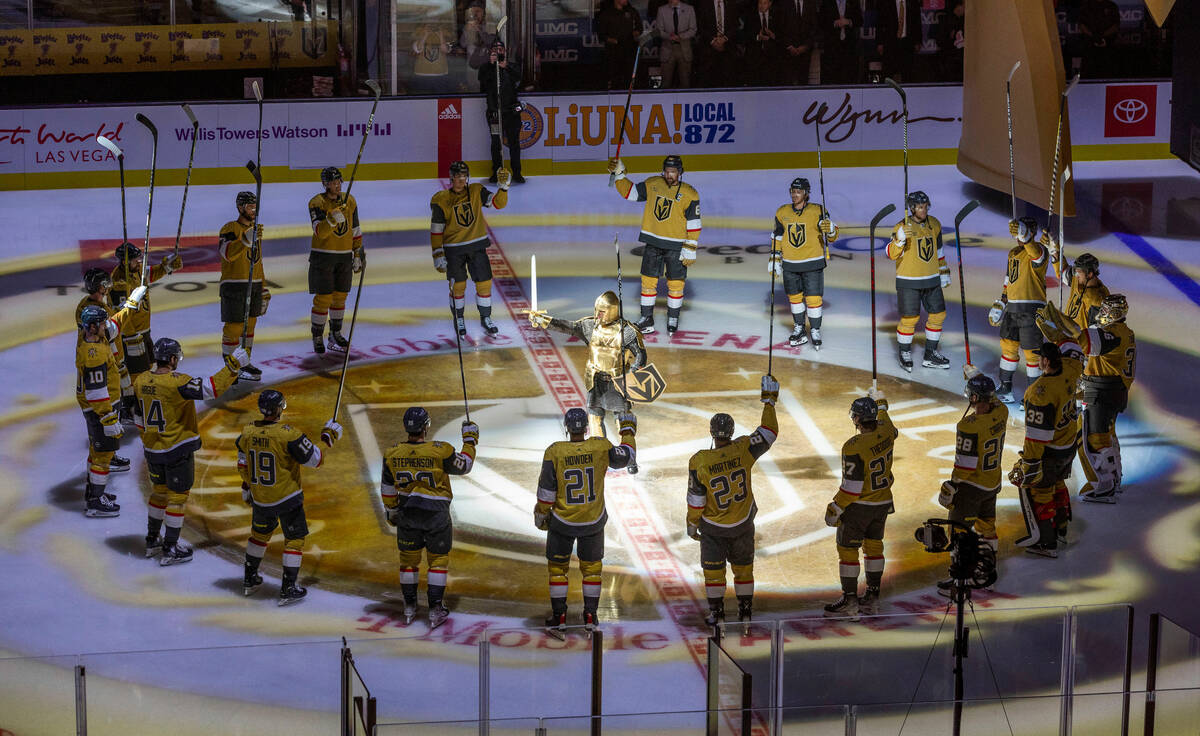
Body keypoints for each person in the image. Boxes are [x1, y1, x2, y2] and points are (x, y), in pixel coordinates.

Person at [134, 338, 248, 563]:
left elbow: (137, 415)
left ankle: (152, 540)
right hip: (176, 449)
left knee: (159, 494)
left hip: (152, 449)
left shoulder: (140, 381)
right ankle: (170, 548)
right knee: (177, 498)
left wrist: (149, 439)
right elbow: (212, 388)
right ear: (173, 359)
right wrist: (234, 365)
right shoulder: (178, 382)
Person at [687, 376, 780, 625]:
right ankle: (745, 610)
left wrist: (692, 523)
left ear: (711, 433)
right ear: (731, 432)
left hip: (713, 528)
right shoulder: (744, 448)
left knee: (714, 572)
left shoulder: (700, 460)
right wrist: (769, 402)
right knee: (743, 569)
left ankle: (716, 613)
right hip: (741, 523)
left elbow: (696, 499)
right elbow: (769, 433)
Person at [535, 407, 637, 631]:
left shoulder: (554, 451)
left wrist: (541, 514)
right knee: (592, 570)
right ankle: (590, 615)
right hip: (593, 520)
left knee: (557, 569)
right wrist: (628, 429)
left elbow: (546, 493)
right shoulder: (599, 446)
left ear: (567, 428)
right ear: (587, 427)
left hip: (562, 521)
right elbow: (627, 457)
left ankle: (559, 616)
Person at [236, 390, 342, 605]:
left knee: (259, 536)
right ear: (278, 409)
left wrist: (247, 487)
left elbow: (242, 465)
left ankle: (249, 579)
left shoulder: (246, 433)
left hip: (261, 498)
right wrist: (327, 438)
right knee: (294, 539)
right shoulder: (289, 434)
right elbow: (316, 460)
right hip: (287, 498)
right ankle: (288, 587)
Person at [380, 407, 478, 628]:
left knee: (408, 562)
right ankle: (435, 608)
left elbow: (387, 488)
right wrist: (470, 440)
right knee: (438, 562)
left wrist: (392, 510)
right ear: (426, 427)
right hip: (437, 517)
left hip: (407, 515)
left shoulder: (392, 453)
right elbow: (465, 465)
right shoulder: (440, 451)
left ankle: (409, 606)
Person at [1011, 309, 1086, 556]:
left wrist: (1029, 463)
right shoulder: (1071, 370)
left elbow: (1036, 435)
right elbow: (1074, 347)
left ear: (1044, 362)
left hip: (1051, 451)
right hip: (1069, 446)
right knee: (1058, 483)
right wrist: (1059, 337)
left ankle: (1046, 540)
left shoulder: (1038, 392)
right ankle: (1062, 530)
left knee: (1041, 490)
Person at [1046, 297, 1135, 503]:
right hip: (1114, 390)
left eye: (1105, 309)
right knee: (1108, 435)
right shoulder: (1125, 332)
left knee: (1094, 438)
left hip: (1103, 391)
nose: (1101, 312)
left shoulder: (1112, 334)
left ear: (1114, 313)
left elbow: (1081, 338)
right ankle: (1114, 480)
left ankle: (1103, 486)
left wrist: (1058, 321)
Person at [529, 291, 648, 442]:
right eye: (596, 311)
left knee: (624, 422)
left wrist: (632, 375)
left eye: (602, 312)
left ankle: (630, 461)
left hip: (618, 381)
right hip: (595, 379)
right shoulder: (590, 326)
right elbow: (568, 326)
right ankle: (600, 454)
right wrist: (542, 319)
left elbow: (641, 356)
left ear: (612, 311)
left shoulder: (628, 331)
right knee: (594, 419)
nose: (598, 315)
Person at [607, 154, 702, 336]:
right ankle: (646, 319)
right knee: (648, 282)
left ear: (680, 172)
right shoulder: (652, 184)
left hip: (676, 246)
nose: (669, 175)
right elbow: (631, 193)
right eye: (667, 171)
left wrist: (691, 245)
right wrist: (619, 175)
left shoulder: (690, 194)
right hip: (653, 242)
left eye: (673, 172)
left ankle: (673, 318)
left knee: (676, 284)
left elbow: (694, 222)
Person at [824, 387, 896, 616]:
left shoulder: (853, 446)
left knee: (847, 550)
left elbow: (852, 488)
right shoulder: (886, 431)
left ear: (856, 419)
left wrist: (836, 506)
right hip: (883, 502)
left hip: (860, 507)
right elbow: (887, 421)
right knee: (874, 547)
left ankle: (850, 600)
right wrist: (880, 401)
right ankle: (873, 596)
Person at [75, 287, 145, 517]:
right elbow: (95, 391)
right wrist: (108, 417)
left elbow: (116, 323)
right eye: (102, 324)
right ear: (93, 327)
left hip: (100, 405)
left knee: (97, 451)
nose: (107, 326)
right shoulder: (93, 353)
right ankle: (95, 500)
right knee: (103, 455)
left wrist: (131, 303)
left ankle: (92, 493)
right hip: (98, 408)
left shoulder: (97, 335)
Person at [936, 371, 1007, 594]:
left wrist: (953, 485)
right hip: (992, 482)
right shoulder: (1002, 412)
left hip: (971, 488)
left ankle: (961, 581)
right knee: (987, 528)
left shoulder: (969, 425)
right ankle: (986, 574)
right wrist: (977, 376)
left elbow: (965, 465)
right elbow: (996, 399)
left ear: (974, 398)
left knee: (959, 532)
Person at [430, 160, 510, 337]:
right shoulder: (441, 200)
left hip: (477, 246)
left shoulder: (476, 191)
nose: (460, 180)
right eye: (456, 176)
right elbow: (436, 230)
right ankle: (459, 318)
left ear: (468, 177)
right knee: (458, 286)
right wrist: (437, 253)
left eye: (463, 176)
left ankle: (486, 317)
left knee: (484, 283)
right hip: (453, 250)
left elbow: (497, 204)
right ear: (451, 177)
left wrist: (503, 188)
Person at [770, 177, 838, 349]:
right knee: (794, 298)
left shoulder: (818, 210)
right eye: (793, 191)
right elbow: (777, 236)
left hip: (812, 263)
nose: (794, 195)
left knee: (814, 299)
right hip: (791, 264)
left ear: (806, 193)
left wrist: (829, 229)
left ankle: (815, 329)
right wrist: (774, 257)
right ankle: (799, 328)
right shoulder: (782, 212)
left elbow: (833, 236)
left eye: (798, 191)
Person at [886, 191, 951, 372]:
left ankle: (930, 354)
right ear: (912, 208)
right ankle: (904, 352)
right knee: (910, 318)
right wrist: (899, 240)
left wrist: (943, 270)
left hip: (931, 279)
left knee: (939, 315)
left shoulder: (934, 224)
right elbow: (890, 254)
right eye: (920, 207)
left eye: (925, 206)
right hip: (909, 281)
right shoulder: (902, 226)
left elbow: (938, 251)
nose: (923, 210)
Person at [77, 268, 134, 471]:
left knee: (109, 424)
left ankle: (110, 453)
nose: (109, 287)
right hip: (100, 381)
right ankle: (102, 467)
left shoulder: (89, 308)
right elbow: (112, 330)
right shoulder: (94, 346)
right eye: (106, 284)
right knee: (103, 428)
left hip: (108, 368)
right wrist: (130, 307)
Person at [988, 217, 1050, 403]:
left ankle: (1032, 396)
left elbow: (1035, 253)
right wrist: (1001, 303)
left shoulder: (1040, 250)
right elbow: (1009, 280)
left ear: (1031, 232)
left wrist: (1025, 235)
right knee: (1008, 346)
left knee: (1032, 352)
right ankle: (1005, 387)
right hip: (1013, 309)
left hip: (1031, 309)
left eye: (1022, 232)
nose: (1017, 236)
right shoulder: (1013, 253)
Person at [307, 166, 364, 355]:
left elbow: (355, 229)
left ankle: (335, 333)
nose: (337, 185)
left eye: (338, 181)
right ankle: (317, 336)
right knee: (323, 299)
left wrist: (357, 253)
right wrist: (331, 220)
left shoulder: (350, 201)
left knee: (340, 297)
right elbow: (319, 232)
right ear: (325, 184)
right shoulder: (316, 203)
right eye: (332, 182)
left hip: (344, 256)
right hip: (323, 256)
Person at [109, 241, 183, 383]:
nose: (138, 262)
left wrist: (166, 266)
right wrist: (131, 337)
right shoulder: (118, 283)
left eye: (139, 259)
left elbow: (149, 274)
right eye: (135, 260)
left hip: (144, 330)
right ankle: (134, 399)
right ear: (125, 262)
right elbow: (122, 314)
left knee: (148, 363)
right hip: (131, 336)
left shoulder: (136, 270)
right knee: (137, 371)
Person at [218, 191, 268, 382]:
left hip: (254, 284)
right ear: (240, 208)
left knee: (250, 325)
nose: (253, 210)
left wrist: (264, 287)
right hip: (234, 285)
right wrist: (246, 240)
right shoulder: (230, 227)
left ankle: (244, 363)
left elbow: (258, 262)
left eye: (255, 206)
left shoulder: (256, 230)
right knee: (234, 327)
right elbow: (227, 253)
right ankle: (230, 369)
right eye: (249, 207)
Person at [478, 40, 525, 183]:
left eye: (500, 48)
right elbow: (483, 84)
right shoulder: (486, 68)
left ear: (504, 51)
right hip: (494, 113)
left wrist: (507, 67)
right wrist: (493, 67)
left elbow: (519, 79)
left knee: (514, 142)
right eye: (495, 48)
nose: (498, 51)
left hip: (511, 112)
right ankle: (496, 172)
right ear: (491, 51)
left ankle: (517, 172)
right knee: (496, 143)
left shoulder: (512, 66)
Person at [597, 0, 644, 90]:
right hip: (614, 51)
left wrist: (636, 32)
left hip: (630, 50)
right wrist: (612, 40)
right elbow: (601, 34)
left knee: (630, 77)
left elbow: (640, 27)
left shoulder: (631, 11)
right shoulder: (607, 14)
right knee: (615, 78)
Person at [1060, 252, 1109, 332]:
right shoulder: (1079, 281)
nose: (1076, 275)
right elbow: (1064, 274)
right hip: (1067, 339)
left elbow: (1095, 333)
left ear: (1089, 274)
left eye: (1078, 272)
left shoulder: (1097, 300)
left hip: (1078, 343)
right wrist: (1054, 250)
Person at [655, 0, 697, 88]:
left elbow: (693, 29)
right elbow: (659, 31)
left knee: (686, 83)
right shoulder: (661, 10)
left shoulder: (689, 9)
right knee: (665, 84)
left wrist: (681, 36)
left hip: (684, 50)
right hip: (667, 50)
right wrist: (669, 36)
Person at [695, 0, 737, 87]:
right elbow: (700, 26)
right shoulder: (704, 5)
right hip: (708, 46)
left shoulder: (731, 5)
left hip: (727, 46)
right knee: (708, 77)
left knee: (728, 75)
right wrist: (713, 41)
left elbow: (735, 25)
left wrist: (724, 39)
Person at [819, 0, 862, 84]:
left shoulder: (853, 2)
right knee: (832, 80)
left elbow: (860, 20)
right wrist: (834, 23)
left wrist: (849, 22)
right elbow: (821, 21)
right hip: (832, 50)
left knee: (849, 78)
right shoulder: (827, 3)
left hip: (849, 50)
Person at [878, 0, 921, 82]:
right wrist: (880, 43)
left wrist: (918, 41)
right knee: (888, 73)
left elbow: (917, 23)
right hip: (890, 43)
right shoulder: (885, 3)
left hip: (907, 43)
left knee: (908, 73)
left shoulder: (913, 3)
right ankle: (886, 93)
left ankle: (908, 93)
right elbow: (880, 23)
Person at [743, 0, 784, 86]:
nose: (762, 6)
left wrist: (773, 36)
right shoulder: (750, 16)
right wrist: (758, 37)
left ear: (770, 4)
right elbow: (744, 35)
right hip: (754, 59)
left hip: (772, 60)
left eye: (765, 3)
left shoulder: (778, 15)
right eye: (760, 3)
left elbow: (783, 36)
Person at [778, 0, 817, 85]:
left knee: (803, 81)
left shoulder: (811, 4)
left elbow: (814, 28)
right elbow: (780, 27)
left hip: (805, 52)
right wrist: (789, 46)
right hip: (787, 52)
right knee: (787, 82)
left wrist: (805, 46)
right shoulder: (784, 4)